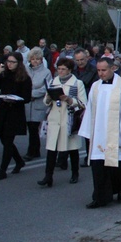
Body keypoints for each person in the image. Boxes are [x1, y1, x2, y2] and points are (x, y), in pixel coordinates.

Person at [78, 57, 121, 208]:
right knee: (99, 166)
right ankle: (100, 197)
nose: (101, 74)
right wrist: (87, 132)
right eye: (98, 70)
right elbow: (90, 109)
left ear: (113, 68)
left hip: (116, 134)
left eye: (104, 70)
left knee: (119, 166)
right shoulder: (95, 87)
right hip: (99, 133)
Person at [37, 58, 87, 187]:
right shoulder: (53, 82)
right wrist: (48, 97)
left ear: (69, 70)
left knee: (72, 149)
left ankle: (75, 173)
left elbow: (83, 103)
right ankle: (48, 176)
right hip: (54, 119)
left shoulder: (77, 83)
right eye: (58, 69)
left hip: (69, 119)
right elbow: (46, 102)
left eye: (63, 69)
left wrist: (70, 100)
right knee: (51, 149)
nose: (60, 71)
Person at [0, 52, 32, 180]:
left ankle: (2, 170)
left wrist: (15, 99)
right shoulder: (3, 74)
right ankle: (19, 161)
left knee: (8, 141)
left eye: (13, 62)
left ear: (19, 63)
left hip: (15, 112)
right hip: (3, 110)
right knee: (3, 139)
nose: (9, 64)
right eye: (8, 61)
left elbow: (27, 97)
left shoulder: (24, 78)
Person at [22, 47, 50, 161]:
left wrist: (32, 93)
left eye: (37, 59)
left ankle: (31, 151)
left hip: (38, 103)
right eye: (33, 59)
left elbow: (46, 88)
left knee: (34, 127)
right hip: (27, 104)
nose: (35, 61)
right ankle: (35, 150)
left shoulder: (46, 72)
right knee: (30, 128)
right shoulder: (25, 70)